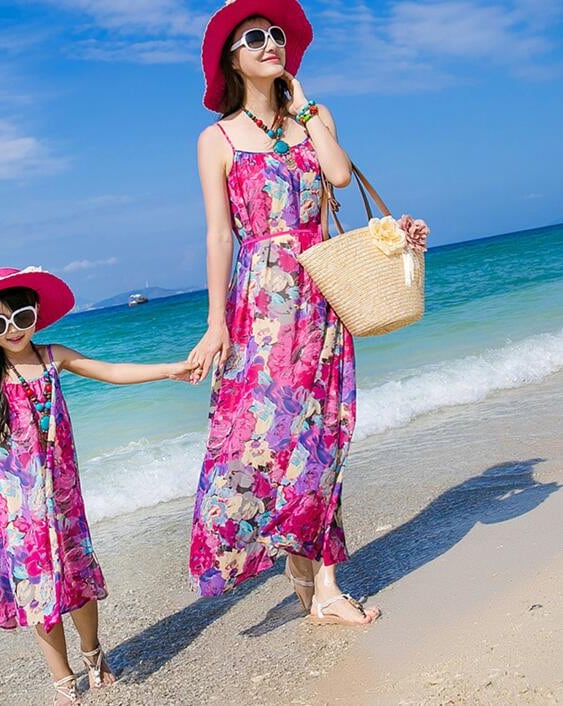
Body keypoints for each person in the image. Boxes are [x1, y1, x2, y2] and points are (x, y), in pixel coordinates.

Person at [187, 0, 380, 626]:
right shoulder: (215, 139)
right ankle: (295, 563)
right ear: (232, 58)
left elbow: (339, 177)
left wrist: (306, 109)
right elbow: (220, 235)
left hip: (321, 293)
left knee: (324, 434)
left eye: (276, 34)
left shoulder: (312, 117)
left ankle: (325, 583)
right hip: (259, 306)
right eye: (254, 37)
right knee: (256, 438)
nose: (270, 43)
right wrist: (217, 321)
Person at [0, 266, 197, 704]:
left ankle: (93, 656)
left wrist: (168, 369)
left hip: (62, 496)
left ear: (36, 314)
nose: (12, 330)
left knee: (78, 578)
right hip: (16, 508)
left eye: (21, 318)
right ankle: (62, 681)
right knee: (37, 591)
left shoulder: (53, 357)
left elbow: (110, 371)